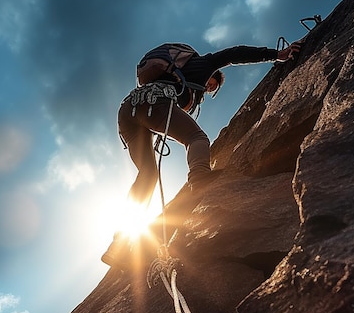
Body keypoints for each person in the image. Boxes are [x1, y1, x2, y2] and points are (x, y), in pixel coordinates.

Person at [102, 40, 302, 268]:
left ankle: (118, 244)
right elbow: (233, 53)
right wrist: (277, 54)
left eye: (211, 89)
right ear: (211, 74)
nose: (208, 88)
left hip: (128, 111)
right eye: (211, 84)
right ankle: (199, 179)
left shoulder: (169, 76)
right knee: (196, 138)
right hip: (154, 103)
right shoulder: (201, 64)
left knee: (147, 175)